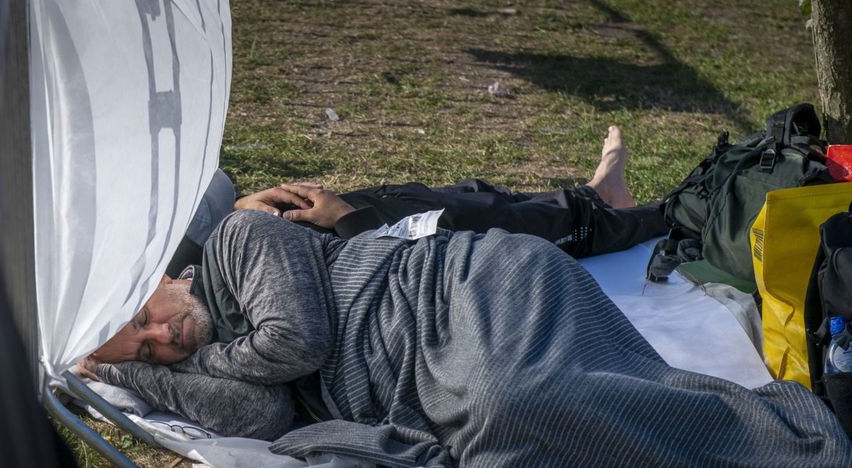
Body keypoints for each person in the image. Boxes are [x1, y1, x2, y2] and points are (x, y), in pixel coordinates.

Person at [80, 128, 852, 468]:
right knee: (514, 458)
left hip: (467, 292)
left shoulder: (239, 242)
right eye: (147, 349)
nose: (163, 338)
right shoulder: (189, 354)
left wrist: (205, 357)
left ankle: (817, 459)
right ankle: (793, 462)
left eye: (145, 318)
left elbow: (298, 344)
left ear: (159, 275)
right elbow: (263, 417)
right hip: (430, 381)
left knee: (516, 403)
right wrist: (129, 376)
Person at [166, 127, 666, 276]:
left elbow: (214, 187)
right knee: (501, 225)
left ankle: (599, 194)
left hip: (367, 214)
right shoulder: (189, 314)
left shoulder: (157, 262)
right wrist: (349, 220)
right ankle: (665, 212)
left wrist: (243, 209)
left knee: (477, 198)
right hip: (371, 242)